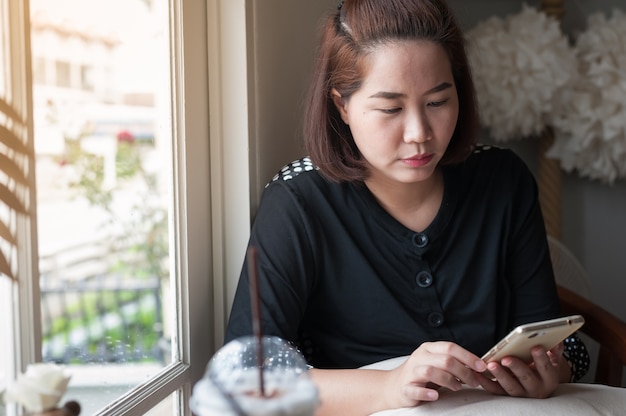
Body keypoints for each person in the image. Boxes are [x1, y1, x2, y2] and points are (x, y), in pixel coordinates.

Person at [225, 0, 589, 414]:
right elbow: (245, 378)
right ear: (342, 105)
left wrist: (548, 372)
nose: (419, 134)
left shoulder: (503, 181)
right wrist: (389, 387)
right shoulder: (298, 202)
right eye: (391, 109)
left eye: (437, 102)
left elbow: (558, 340)